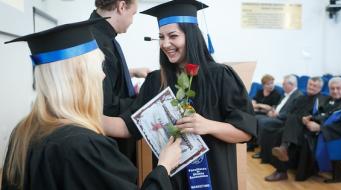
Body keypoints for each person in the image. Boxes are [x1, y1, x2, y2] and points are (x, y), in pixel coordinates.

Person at [1, 19, 181, 190]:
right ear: (80, 76)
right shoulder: (83, 146)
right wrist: (164, 167)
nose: (103, 75)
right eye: (99, 67)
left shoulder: (23, 132)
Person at [110, 1, 256, 189]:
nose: (165, 44)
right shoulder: (156, 80)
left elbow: (245, 132)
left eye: (173, 36)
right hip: (171, 181)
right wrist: (82, 117)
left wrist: (207, 125)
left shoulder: (219, 76)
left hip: (215, 179)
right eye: (161, 37)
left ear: (192, 36)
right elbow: (130, 126)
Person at [90, 0, 150, 162]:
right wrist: (145, 101)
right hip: (108, 146)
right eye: (133, 14)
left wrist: (130, 73)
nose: (132, 21)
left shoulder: (99, 34)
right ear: (121, 6)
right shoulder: (99, 44)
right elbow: (106, 106)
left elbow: (108, 76)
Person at [270, 77, 341, 181]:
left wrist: (320, 128)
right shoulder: (328, 100)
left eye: (338, 88)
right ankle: (281, 166)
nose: (335, 91)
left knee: (296, 136)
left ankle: (284, 166)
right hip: (313, 130)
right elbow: (321, 114)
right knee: (287, 125)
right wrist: (309, 119)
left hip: (326, 135)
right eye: (332, 88)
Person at [259, 77, 327, 181]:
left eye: (315, 86)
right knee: (276, 130)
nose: (311, 87)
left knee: (283, 132)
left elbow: (322, 117)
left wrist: (309, 120)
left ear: (320, 88)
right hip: (294, 127)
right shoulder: (301, 98)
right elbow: (290, 112)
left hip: (307, 130)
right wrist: (300, 118)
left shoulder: (322, 100)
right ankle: (277, 162)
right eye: (310, 85)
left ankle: (282, 164)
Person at [251, 74, 302, 159]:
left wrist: (277, 114)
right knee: (256, 118)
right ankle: (254, 144)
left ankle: (263, 151)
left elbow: (292, 113)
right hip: (275, 115)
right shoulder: (286, 94)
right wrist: (272, 111)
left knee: (262, 121)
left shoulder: (297, 96)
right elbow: (277, 106)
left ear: (291, 85)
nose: (282, 86)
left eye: (284, 84)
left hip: (283, 120)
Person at [247, 74, 281, 151]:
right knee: (248, 116)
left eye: (272, 83)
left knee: (254, 118)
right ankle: (250, 142)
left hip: (267, 114)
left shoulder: (276, 94)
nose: (271, 85)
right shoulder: (259, 92)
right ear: (263, 85)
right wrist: (262, 106)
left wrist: (258, 105)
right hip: (258, 112)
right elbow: (252, 104)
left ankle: (252, 144)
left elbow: (271, 108)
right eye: (268, 84)